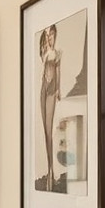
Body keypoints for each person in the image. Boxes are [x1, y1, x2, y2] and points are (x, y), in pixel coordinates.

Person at [39, 24, 61, 191]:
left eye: (51, 34)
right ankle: (48, 168)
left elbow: (57, 72)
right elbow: (43, 73)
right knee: (45, 131)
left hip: (52, 89)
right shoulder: (45, 52)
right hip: (43, 89)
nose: (49, 38)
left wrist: (58, 89)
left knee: (49, 130)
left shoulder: (56, 53)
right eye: (47, 35)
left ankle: (52, 170)